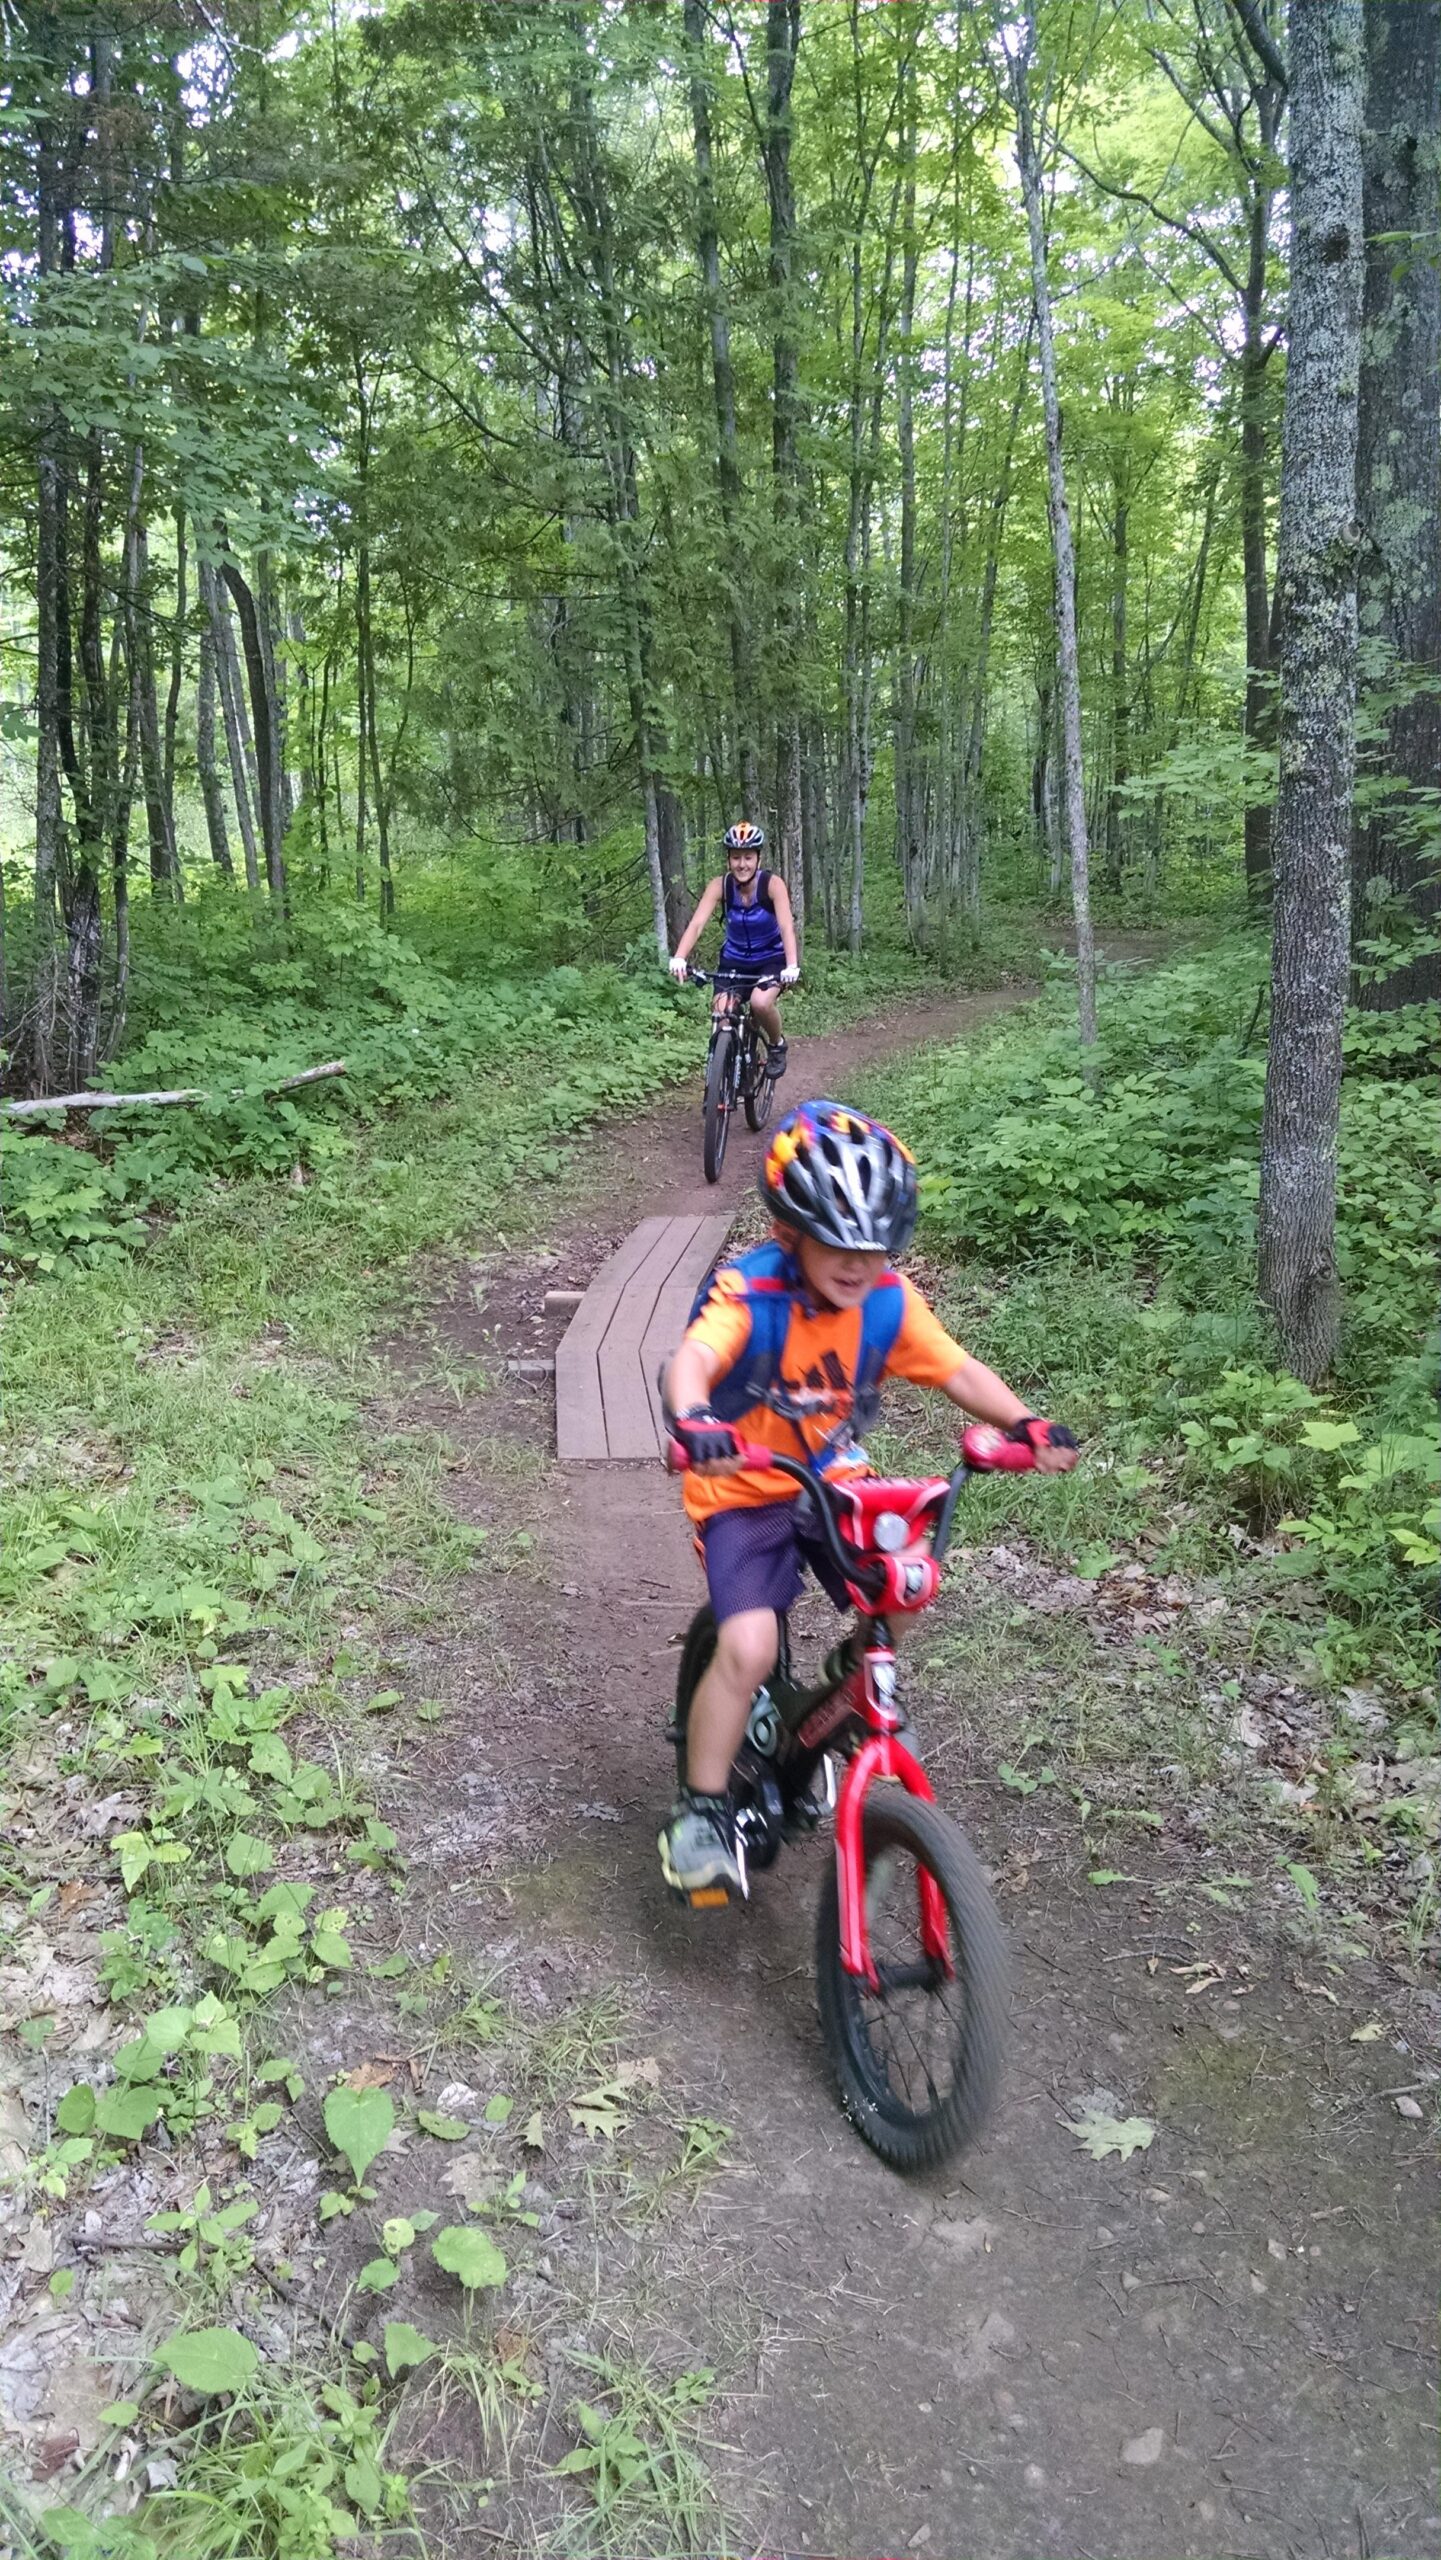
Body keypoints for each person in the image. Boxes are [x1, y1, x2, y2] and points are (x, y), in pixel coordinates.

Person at [658, 1099, 1079, 1899]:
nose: (859, 1265)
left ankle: (852, 1674)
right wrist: (695, 1417)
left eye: (877, 1249)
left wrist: (1023, 1420)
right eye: (838, 1246)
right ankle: (703, 1810)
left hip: (831, 1476)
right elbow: (693, 1359)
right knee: (746, 1648)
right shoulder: (750, 1294)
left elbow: (955, 1370)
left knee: (912, 1572)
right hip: (741, 1485)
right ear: (790, 1234)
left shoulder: (887, 1300)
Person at [667, 820, 799, 1083]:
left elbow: (786, 926)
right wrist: (680, 957)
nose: (742, 864)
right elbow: (697, 924)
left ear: (758, 859)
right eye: (736, 857)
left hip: (771, 959)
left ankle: (776, 1045)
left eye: (748, 857)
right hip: (734, 961)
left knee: (761, 1004)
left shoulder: (772, 885)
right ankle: (722, 1076)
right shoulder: (720, 886)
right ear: (728, 859)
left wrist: (792, 965)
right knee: (721, 1013)